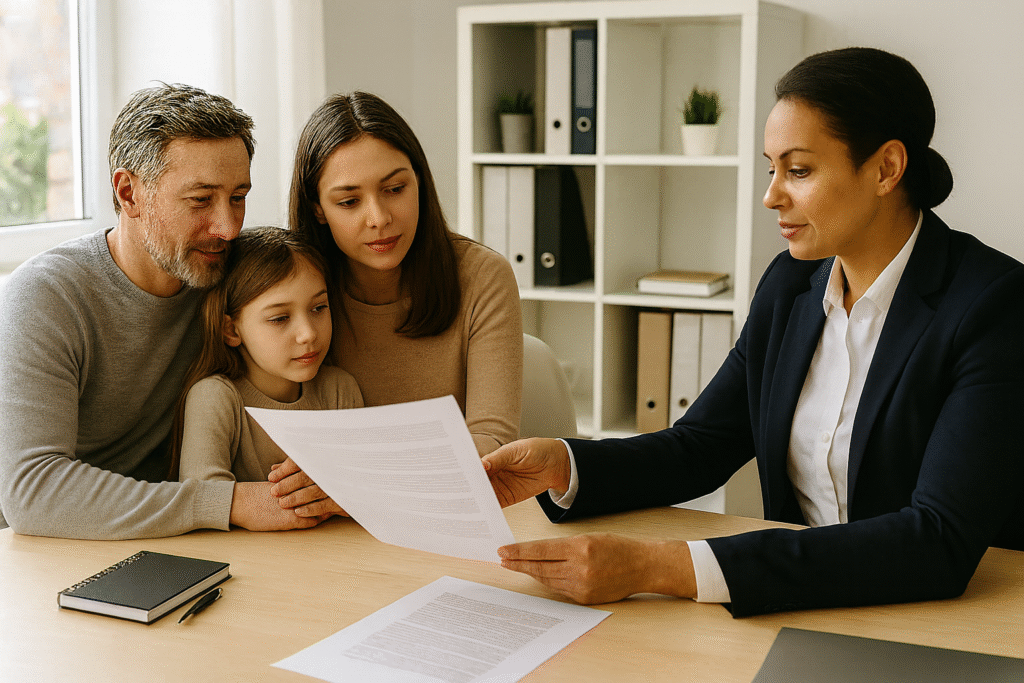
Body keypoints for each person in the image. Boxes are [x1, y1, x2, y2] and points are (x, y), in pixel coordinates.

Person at [480, 47, 1024, 617]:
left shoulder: (993, 306)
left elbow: (937, 539)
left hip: (945, 623)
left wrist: (660, 567)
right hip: (799, 606)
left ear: (886, 168)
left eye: (799, 170)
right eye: (772, 169)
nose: (771, 196)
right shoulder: (791, 285)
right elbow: (702, 445)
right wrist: (566, 466)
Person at [0, 83, 322, 538]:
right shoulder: (47, 297)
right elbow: (32, 492)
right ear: (129, 193)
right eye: (200, 200)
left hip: (180, 543)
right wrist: (228, 501)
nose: (228, 227)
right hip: (48, 551)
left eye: (238, 196)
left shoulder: (232, 280)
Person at [269, 91, 523, 516]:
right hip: (329, 536)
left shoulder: (483, 277)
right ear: (317, 209)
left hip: (449, 518)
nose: (379, 217)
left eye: (395, 189)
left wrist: (353, 485)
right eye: (349, 201)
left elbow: (492, 447)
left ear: (419, 181)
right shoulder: (292, 293)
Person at [174, 226, 363, 484]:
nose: (308, 334)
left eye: (319, 308)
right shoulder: (216, 397)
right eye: (280, 318)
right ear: (230, 329)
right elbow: (203, 496)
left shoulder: (340, 390)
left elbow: (364, 487)